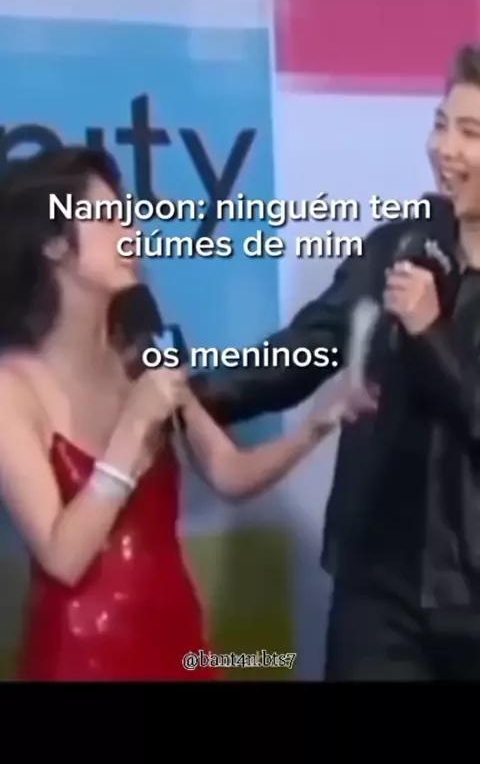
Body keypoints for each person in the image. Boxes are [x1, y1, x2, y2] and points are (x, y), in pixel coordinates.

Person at [0, 146, 348, 682]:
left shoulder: (145, 352)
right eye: (108, 217)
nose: (131, 233)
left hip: (180, 643)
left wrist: (315, 427)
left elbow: (228, 472)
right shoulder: (12, 388)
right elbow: (62, 558)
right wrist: (134, 428)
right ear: (53, 244)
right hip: (81, 658)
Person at [193, 43, 480, 680]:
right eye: (441, 125)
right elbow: (302, 351)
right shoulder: (398, 246)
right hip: (378, 590)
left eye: (471, 133)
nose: (445, 149)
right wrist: (186, 396)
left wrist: (431, 332)